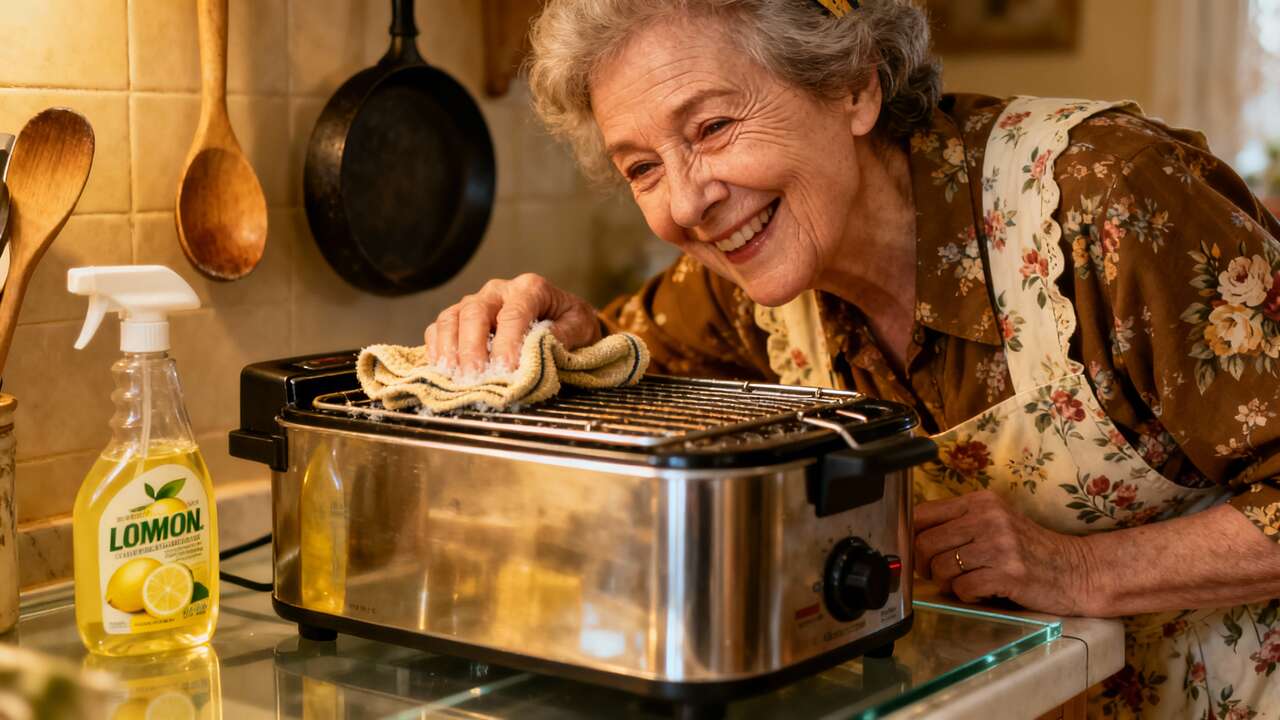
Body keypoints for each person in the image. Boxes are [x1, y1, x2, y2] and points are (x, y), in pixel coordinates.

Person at [421, 0, 1280, 715]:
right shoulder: (736, 287)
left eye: (714, 126)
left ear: (854, 87)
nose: (688, 202)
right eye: (643, 167)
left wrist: (1077, 567)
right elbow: (622, 373)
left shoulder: (1111, 205)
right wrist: (556, 337)